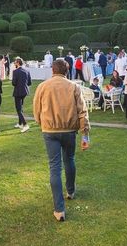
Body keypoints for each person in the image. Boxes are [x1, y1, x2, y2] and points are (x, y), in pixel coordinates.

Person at [33, 59, 90, 222]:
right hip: (69, 130)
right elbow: (83, 111)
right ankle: (70, 191)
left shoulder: (43, 86)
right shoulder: (73, 86)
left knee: (55, 167)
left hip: (50, 130)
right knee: (69, 160)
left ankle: (59, 209)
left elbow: (36, 110)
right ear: (67, 70)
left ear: (52, 70)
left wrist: (41, 122)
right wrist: (85, 134)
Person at [11, 57, 32, 133]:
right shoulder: (27, 70)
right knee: (21, 107)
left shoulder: (15, 71)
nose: (14, 64)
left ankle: (25, 124)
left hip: (18, 92)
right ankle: (20, 123)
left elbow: (14, 83)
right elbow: (29, 82)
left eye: (15, 62)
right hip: (25, 92)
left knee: (18, 109)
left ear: (17, 63)